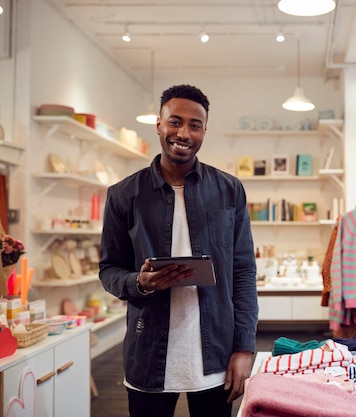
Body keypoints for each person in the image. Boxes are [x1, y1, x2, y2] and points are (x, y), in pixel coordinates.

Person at [99, 84, 258, 417]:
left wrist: (244, 348)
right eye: (174, 122)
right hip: (147, 353)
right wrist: (139, 284)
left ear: (204, 131)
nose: (183, 133)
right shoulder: (123, 195)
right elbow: (109, 269)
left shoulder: (229, 190)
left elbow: (243, 272)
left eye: (194, 125)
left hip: (216, 354)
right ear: (159, 124)